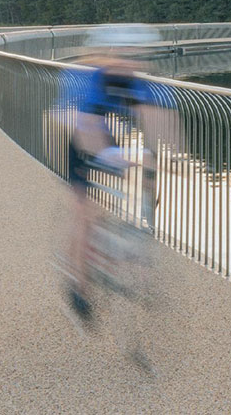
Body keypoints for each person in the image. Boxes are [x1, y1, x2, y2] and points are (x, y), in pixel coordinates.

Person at [61, 23, 176, 328]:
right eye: (125, 55)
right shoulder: (93, 80)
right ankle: (78, 285)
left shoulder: (137, 83)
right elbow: (86, 128)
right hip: (80, 139)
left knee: (143, 173)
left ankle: (131, 246)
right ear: (112, 53)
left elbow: (157, 121)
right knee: (85, 213)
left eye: (136, 56)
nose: (131, 62)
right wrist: (114, 158)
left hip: (107, 135)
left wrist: (162, 162)